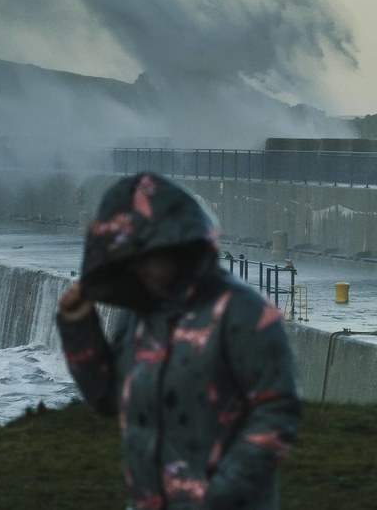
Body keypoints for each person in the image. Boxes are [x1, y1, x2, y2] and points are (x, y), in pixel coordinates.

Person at [57, 172, 302, 509]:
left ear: (179, 244)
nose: (137, 267)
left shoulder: (243, 312)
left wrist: (216, 496)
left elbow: (277, 413)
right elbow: (108, 398)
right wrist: (77, 326)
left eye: (146, 255)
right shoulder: (140, 314)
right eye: (130, 257)